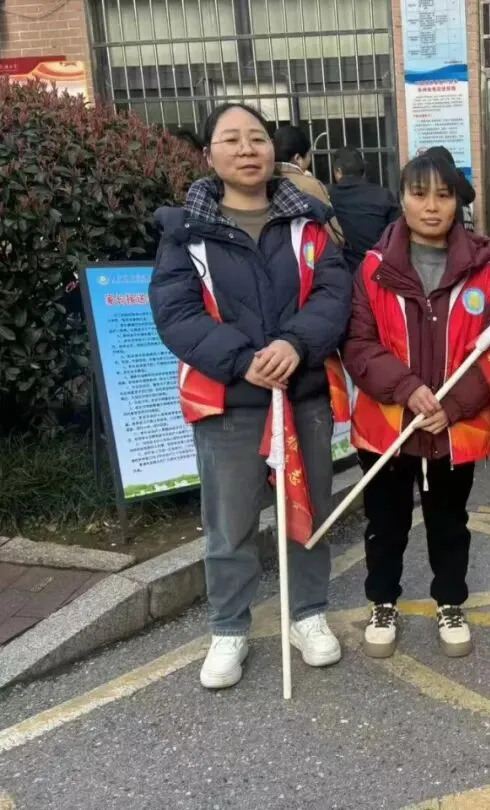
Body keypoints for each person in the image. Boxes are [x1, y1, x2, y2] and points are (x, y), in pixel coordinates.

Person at [150, 103, 353, 689]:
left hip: (303, 394)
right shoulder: (185, 231)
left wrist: (295, 343)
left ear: (273, 151)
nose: (246, 149)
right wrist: (243, 361)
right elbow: (176, 311)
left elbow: (334, 294)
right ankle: (229, 627)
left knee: (308, 512)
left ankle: (307, 614)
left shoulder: (310, 223)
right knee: (230, 522)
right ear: (209, 154)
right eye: (232, 139)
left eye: (257, 138)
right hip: (228, 402)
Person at [341, 152, 490, 659]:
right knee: (385, 524)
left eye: (443, 195)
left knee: (449, 523)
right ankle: (383, 603)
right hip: (388, 426)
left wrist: (453, 405)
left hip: (452, 430)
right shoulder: (373, 270)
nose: (431, 206)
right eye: (419, 194)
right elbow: (359, 344)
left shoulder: (484, 272)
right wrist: (407, 388)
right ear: (402, 199)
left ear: (458, 202)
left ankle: (450, 602)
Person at [329, 146, 400, 270]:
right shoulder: (383, 195)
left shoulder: (329, 196)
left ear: (338, 171)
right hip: (378, 268)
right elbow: (397, 233)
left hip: (342, 269)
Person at [272, 124, 343, 244]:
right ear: (298, 158)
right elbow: (335, 236)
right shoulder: (310, 185)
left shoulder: (263, 182)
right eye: (309, 154)